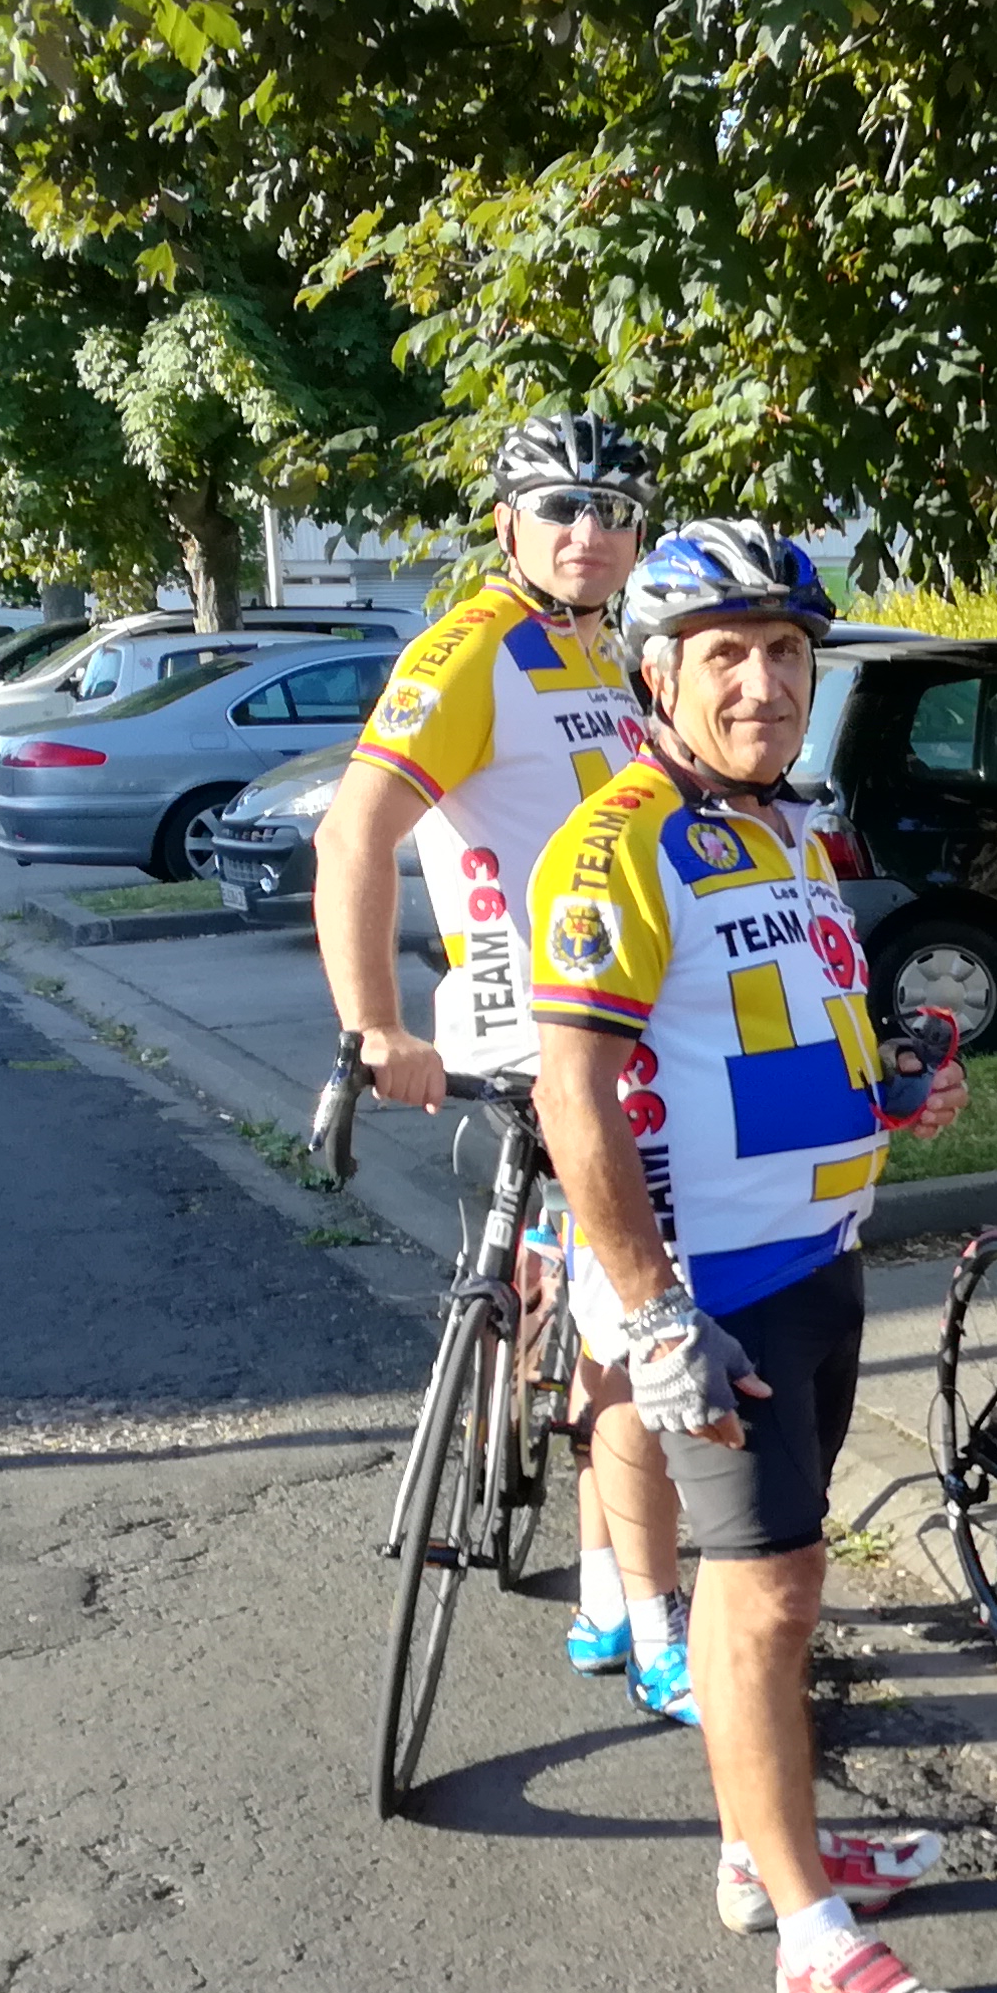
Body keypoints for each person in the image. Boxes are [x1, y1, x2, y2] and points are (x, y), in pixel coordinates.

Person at [532, 520, 976, 1993]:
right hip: (717, 1288)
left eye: (786, 653)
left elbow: (772, 1037)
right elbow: (575, 1095)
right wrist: (656, 1316)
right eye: (725, 655)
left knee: (768, 1580)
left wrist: (891, 1086)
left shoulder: (784, 826)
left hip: (817, 1261)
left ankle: (753, 1844)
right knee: (770, 1589)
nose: (764, 683)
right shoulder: (621, 839)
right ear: (658, 677)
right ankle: (808, 1935)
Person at [314, 413, 693, 1717]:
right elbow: (354, 835)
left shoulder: (608, 650)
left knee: (588, 1319)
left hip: (619, 1021)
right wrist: (375, 1027)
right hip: (532, 1038)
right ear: (506, 525)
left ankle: (601, 1592)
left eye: (614, 509)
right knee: (637, 1322)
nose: (590, 531)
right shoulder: (475, 647)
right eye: (560, 507)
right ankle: (656, 1621)